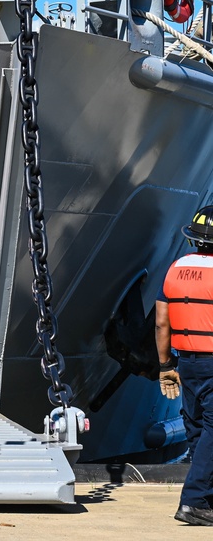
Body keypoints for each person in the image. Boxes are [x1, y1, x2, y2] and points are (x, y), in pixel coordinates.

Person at [154, 205, 213, 526]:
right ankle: (193, 501)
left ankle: (206, 496)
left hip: (186, 362)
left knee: (197, 428)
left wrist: (165, 365)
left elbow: (162, 323)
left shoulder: (176, 269)